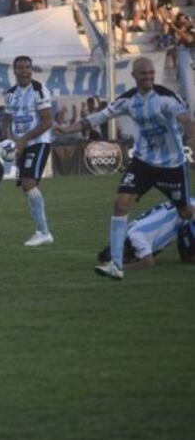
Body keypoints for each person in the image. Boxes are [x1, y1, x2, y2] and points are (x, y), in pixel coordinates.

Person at [55, 57, 195, 281]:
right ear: (134, 76)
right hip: (144, 162)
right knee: (120, 203)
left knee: (186, 212)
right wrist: (67, 129)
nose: (148, 77)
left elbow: (186, 119)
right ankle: (116, 264)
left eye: (151, 73)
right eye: (143, 74)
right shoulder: (128, 100)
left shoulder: (166, 97)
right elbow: (98, 117)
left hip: (172, 165)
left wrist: (191, 136)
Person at [4, 56, 55, 247]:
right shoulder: (10, 94)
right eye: (20, 67)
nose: (24, 71)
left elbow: (47, 121)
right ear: (14, 70)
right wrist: (10, 141)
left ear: (31, 69)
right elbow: (8, 119)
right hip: (20, 144)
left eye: (27, 67)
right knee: (27, 189)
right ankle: (41, 231)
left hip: (38, 143)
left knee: (29, 183)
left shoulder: (39, 90)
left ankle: (44, 232)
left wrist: (24, 140)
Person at [96, 199, 195, 268]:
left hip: (189, 212)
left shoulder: (135, 237)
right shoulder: (128, 233)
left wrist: (121, 267)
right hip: (187, 207)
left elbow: (148, 263)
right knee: (186, 258)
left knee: (190, 258)